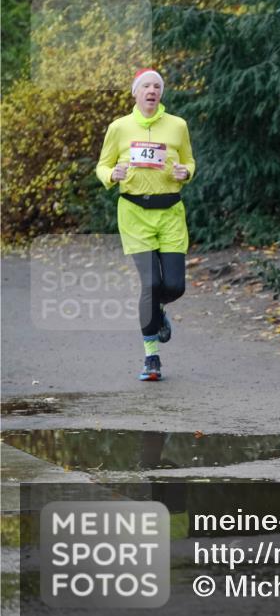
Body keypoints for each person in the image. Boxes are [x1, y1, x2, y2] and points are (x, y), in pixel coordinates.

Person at [96, 68, 195, 381]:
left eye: (157, 86)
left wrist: (186, 172)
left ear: (161, 93)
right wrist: (112, 175)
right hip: (135, 212)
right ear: (135, 93)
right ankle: (152, 357)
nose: (152, 90)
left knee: (174, 286)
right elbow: (103, 164)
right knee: (150, 284)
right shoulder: (119, 127)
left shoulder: (177, 125)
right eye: (146, 86)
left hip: (170, 213)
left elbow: (189, 161)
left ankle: (157, 311)